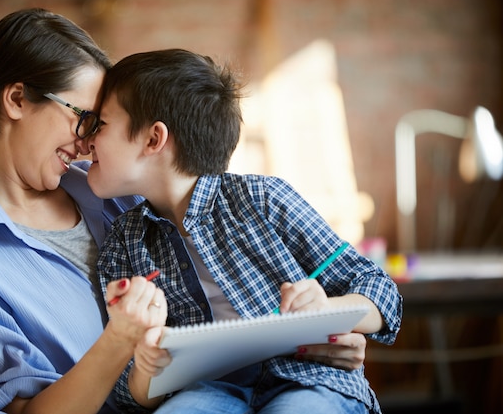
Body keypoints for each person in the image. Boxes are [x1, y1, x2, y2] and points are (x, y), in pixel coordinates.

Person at [86, 48, 403, 414]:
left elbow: (379, 289)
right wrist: (147, 368)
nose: (88, 140)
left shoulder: (262, 199)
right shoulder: (125, 241)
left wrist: (325, 310)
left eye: (101, 124)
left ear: (153, 139)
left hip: (309, 380)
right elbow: (132, 394)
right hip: (204, 392)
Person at [0, 8, 168, 414]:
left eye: (97, 126)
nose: (87, 144)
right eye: (83, 119)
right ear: (16, 100)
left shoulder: (113, 192)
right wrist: (119, 341)